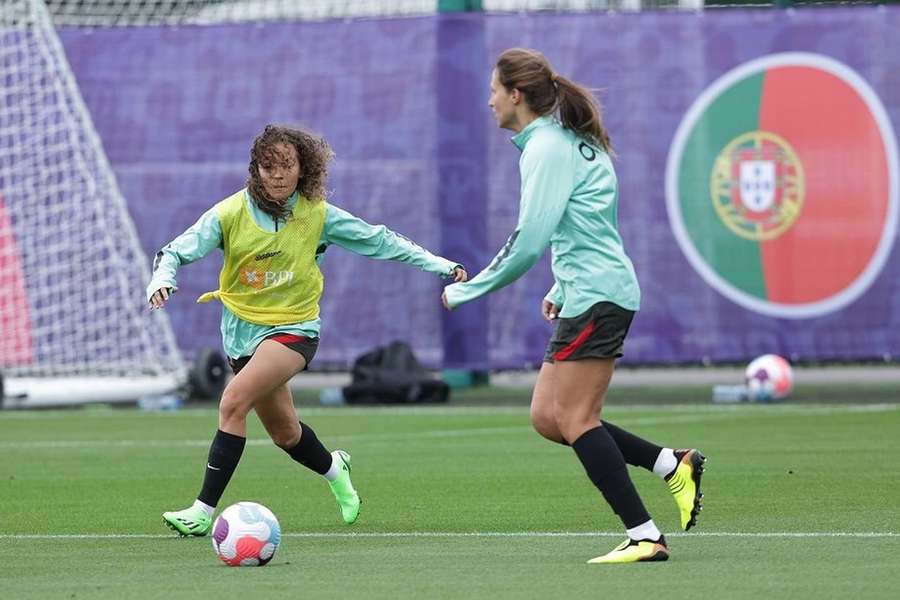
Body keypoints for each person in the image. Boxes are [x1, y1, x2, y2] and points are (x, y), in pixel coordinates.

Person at [442, 48, 705, 564]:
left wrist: (467, 290)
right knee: (548, 417)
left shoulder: (546, 147)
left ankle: (645, 534)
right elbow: (585, 225)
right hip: (590, 292)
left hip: (598, 296)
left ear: (516, 95)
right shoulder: (567, 142)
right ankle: (671, 464)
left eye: (494, 89)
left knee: (578, 418)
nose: (489, 99)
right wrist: (560, 289)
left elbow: (529, 241)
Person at [148, 124, 467, 536]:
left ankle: (202, 511)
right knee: (285, 434)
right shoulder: (229, 213)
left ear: (303, 169)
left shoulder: (317, 215)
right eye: (269, 166)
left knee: (232, 402)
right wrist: (161, 279)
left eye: (287, 165)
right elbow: (174, 251)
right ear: (256, 170)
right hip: (242, 334)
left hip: (295, 330)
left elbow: (381, 241)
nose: (278, 174)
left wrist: (442, 265)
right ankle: (337, 471)